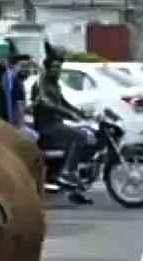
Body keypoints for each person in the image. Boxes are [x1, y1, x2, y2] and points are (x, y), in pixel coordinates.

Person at [31, 47, 96, 205]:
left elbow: (64, 103)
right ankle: (67, 172)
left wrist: (80, 113)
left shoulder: (54, 84)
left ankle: (76, 190)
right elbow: (49, 104)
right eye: (54, 68)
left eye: (59, 68)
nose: (57, 71)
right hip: (47, 127)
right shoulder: (41, 84)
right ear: (47, 68)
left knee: (87, 134)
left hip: (56, 125)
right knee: (79, 136)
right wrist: (70, 115)